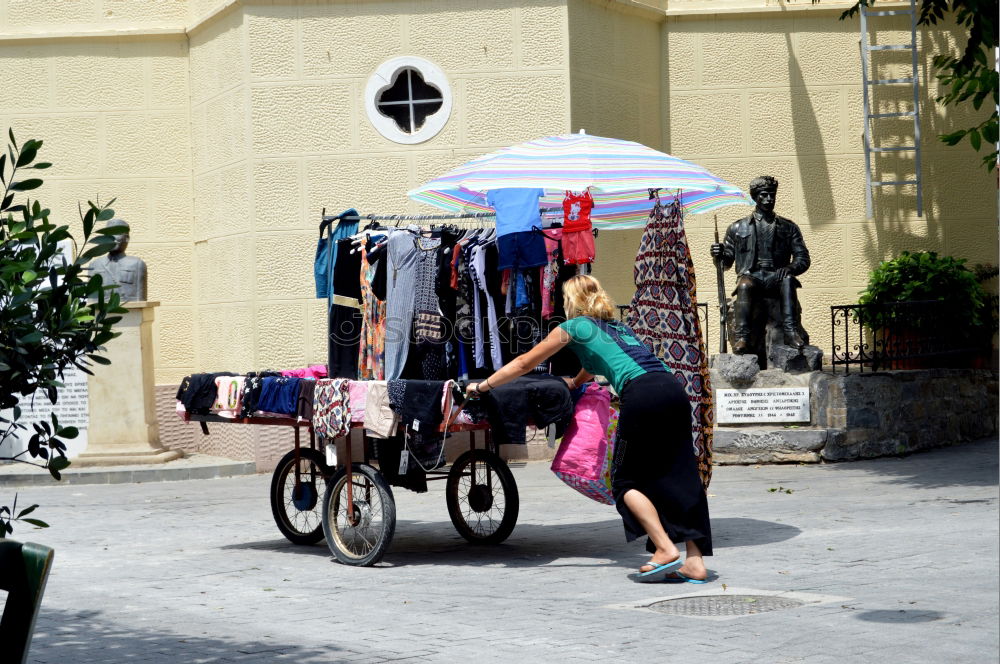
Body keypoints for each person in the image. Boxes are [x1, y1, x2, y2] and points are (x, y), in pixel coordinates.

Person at [468, 275, 713, 583]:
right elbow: (600, 361)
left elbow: (524, 364)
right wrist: (576, 381)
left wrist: (485, 385)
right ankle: (695, 561)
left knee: (625, 482)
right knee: (681, 476)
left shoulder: (573, 327)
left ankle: (664, 548)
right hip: (673, 392)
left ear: (571, 301)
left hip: (642, 397)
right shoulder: (620, 328)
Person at [710, 176, 810, 353]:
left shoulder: (788, 227)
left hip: (776, 276)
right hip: (752, 276)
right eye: (764, 195)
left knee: (788, 280)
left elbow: (803, 259)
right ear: (755, 197)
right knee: (744, 285)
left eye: (772, 195)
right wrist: (717, 255)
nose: (769, 199)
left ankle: (790, 331)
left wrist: (789, 268)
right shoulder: (737, 228)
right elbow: (725, 263)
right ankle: (742, 337)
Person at [86, 219, 148, 302]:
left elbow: (141, 300)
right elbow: (91, 300)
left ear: (127, 238)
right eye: (108, 234)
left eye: (117, 233)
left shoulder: (137, 264)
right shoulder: (94, 265)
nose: (112, 238)